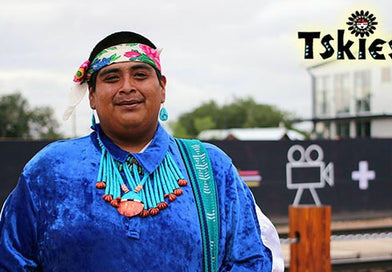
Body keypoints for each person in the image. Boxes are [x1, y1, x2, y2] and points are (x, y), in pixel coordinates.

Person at [0, 31, 284, 271]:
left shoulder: (210, 167)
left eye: (140, 74)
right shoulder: (50, 169)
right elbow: (12, 260)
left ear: (162, 88)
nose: (127, 87)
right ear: (92, 96)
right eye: (112, 78)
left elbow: (249, 260)